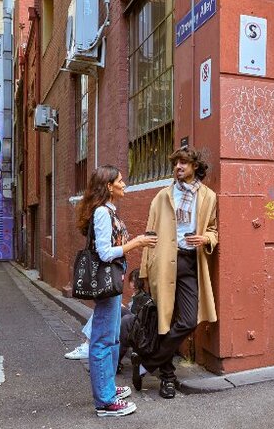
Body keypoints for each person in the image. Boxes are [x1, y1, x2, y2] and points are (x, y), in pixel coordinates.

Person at [134, 146, 219, 399]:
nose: (178, 167)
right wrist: (145, 273)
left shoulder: (208, 197)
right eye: (176, 163)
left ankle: (146, 363)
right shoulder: (162, 196)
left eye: (184, 163)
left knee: (187, 321)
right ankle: (167, 378)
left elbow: (214, 229)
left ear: (194, 166)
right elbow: (150, 234)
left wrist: (206, 238)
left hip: (191, 262)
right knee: (164, 322)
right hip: (163, 263)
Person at [76, 165, 156, 417]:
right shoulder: (102, 212)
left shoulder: (109, 211)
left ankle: (108, 388)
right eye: (120, 181)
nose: (124, 184)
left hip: (113, 281)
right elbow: (104, 253)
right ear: (109, 186)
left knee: (111, 339)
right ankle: (105, 402)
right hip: (106, 282)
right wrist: (137, 242)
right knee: (101, 341)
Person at [118, 269, 152, 371]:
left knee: (125, 320)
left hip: (140, 329)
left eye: (133, 281)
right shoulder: (138, 295)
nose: (131, 284)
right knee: (118, 311)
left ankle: (115, 361)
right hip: (137, 323)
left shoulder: (142, 296)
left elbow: (136, 315)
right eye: (131, 281)